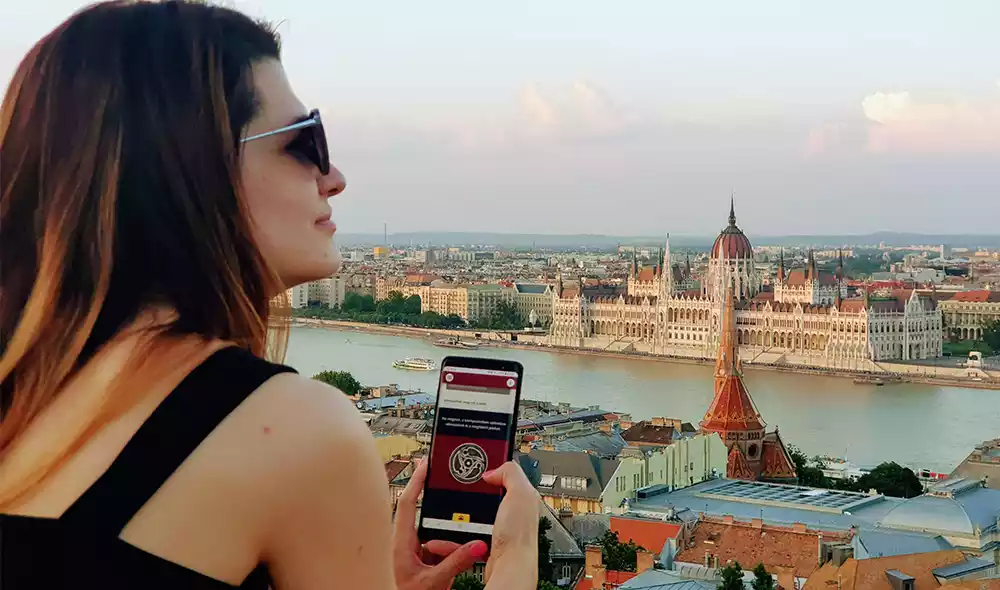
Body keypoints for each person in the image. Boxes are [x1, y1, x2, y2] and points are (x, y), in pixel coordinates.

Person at [0, 1, 538, 589]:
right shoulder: (296, 431)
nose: (334, 177)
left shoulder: (25, 401)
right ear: (193, 171)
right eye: (305, 142)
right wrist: (515, 562)